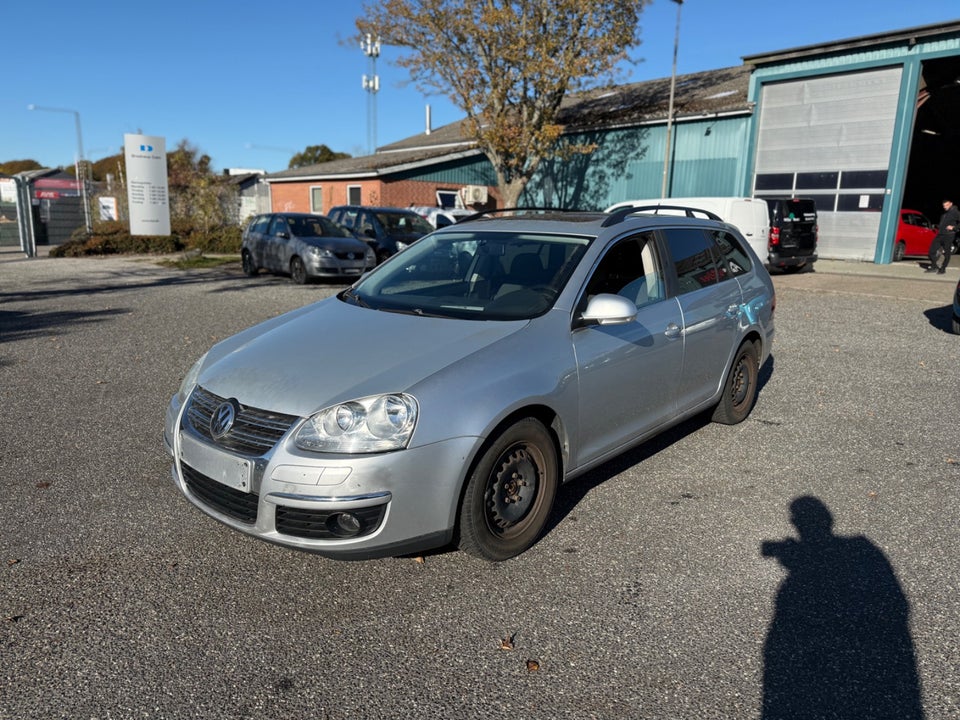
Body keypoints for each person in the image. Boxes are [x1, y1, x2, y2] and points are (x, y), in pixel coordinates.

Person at [926, 197, 959, 273]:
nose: (945, 207)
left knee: (947, 252)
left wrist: (954, 227)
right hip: (940, 234)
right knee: (931, 251)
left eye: (947, 205)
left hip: (949, 235)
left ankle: (943, 268)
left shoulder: (956, 212)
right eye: (944, 206)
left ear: (951, 203)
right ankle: (934, 266)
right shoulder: (944, 213)